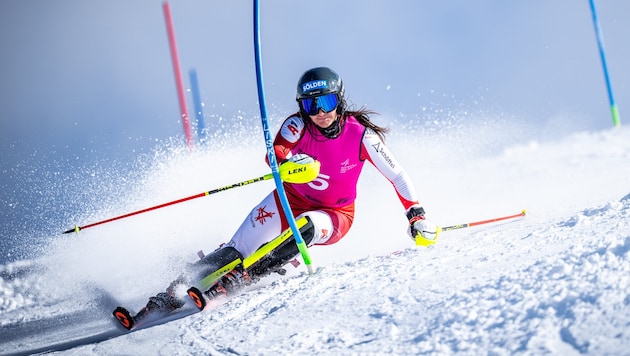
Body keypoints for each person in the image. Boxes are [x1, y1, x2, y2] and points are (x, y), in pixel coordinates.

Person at [122, 66, 439, 325]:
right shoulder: (297, 124)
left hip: (335, 214)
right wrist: (286, 162)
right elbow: (275, 153)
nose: (320, 113)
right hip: (288, 199)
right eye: (311, 105)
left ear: (339, 101)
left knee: (307, 228)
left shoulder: (361, 135)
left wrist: (417, 215)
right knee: (238, 247)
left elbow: (397, 174)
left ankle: (242, 278)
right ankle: (170, 293)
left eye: (326, 103)